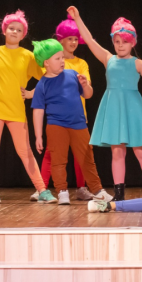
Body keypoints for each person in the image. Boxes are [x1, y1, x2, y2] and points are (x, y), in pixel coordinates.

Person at [67, 6, 142, 201]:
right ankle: (119, 194)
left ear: (132, 42)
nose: (120, 45)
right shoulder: (108, 59)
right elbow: (89, 40)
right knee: (117, 152)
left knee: (141, 151)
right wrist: (78, 18)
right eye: (117, 41)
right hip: (114, 109)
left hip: (133, 109)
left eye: (124, 41)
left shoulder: (138, 63)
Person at [31, 39, 109, 205]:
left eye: (62, 57)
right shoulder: (42, 84)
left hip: (79, 124)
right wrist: (38, 136)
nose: (62, 61)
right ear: (46, 63)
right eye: (57, 58)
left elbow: (88, 95)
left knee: (87, 158)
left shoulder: (72, 74)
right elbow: (38, 110)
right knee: (58, 160)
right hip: (56, 126)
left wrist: (85, 85)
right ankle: (62, 192)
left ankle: (97, 190)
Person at [0, 10, 50, 204]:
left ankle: (42, 189)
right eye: (11, 28)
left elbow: (46, 77)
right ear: (4, 30)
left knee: (25, 151)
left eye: (19, 30)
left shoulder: (28, 56)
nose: (14, 32)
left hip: (16, 110)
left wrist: (31, 93)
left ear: (23, 35)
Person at [37, 14, 94, 201]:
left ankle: (82, 188)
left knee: (82, 155)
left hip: (78, 117)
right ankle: (42, 188)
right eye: (69, 38)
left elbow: (86, 88)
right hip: (58, 119)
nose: (73, 42)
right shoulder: (53, 61)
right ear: (60, 40)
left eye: (76, 39)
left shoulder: (81, 64)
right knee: (52, 154)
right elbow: (44, 86)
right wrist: (30, 94)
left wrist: (85, 84)